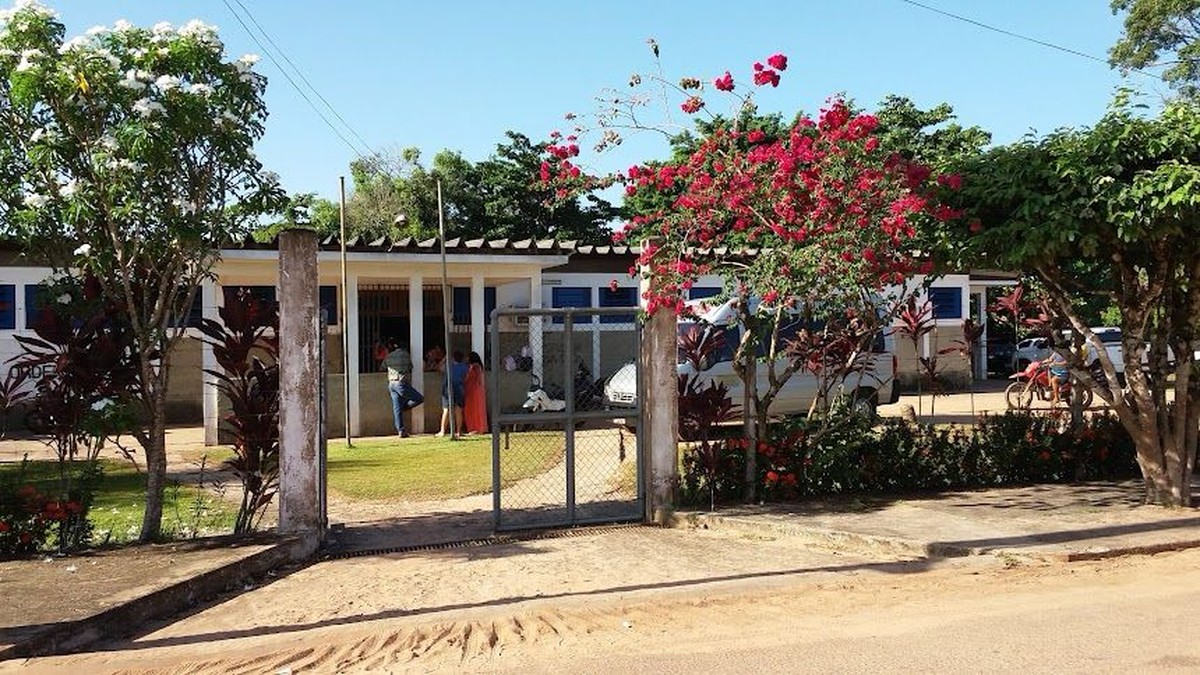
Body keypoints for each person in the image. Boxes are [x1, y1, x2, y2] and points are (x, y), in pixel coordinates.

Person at [384, 339, 423, 438]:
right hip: (401, 383)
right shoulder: (405, 354)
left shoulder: (388, 356)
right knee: (419, 398)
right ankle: (405, 407)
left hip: (391, 383)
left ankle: (401, 431)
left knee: (396, 409)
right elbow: (410, 367)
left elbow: (382, 366)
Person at [437, 350, 469, 437]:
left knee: (446, 410)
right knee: (458, 410)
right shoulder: (465, 367)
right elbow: (466, 377)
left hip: (448, 388)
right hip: (460, 388)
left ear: (453, 358)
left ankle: (442, 431)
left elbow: (439, 368)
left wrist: (444, 359)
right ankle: (458, 431)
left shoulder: (448, 366)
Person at [463, 351, 488, 434]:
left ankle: (475, 427)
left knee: (474, 409)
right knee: (478, 409)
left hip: (474, 391)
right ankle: (479, 427)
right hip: (477, 390)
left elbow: (469, 378)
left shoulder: (474, 367)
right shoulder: (479, 366)